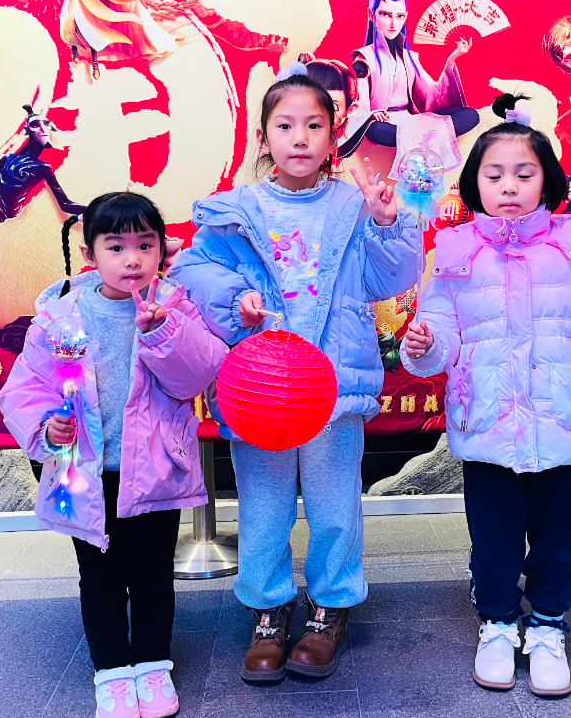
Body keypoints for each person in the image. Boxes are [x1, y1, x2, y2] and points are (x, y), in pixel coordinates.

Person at [169, 63, 420, 682]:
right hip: (261, 389)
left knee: (336, 507)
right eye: (285, 125)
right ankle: (268, 610)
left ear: (334, 136)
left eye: (314, 125)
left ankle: (330, 608)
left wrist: (387, 223)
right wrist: (236, 299)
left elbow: (392, 278)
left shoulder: (354, 205)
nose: (300, 137)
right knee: (264, 508)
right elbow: (192, 271)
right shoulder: (234, 210)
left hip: (333, 386)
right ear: (263, 137)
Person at [400, 93, 571, 697]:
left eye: (523, 173)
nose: (508, 185)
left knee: (561, 538)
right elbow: (440, 343)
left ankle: (548, 626)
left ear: (547, 180)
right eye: (494, 174)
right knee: (494, 539)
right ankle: (497, 623)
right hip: (487, 424)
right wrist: (424, 344)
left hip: (562, 420)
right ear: (474, 183)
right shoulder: (454, 253)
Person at [0, 192, 228, 718]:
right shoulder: (61, 315)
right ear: (90, 254)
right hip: (84, 472)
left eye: (145, 245)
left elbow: (198, 374)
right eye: (116, 246)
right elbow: (25, 388)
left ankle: (153, 665)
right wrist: (46, 425)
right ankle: (112, 672)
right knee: (99, 580)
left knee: (152, 577)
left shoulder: (175, 306)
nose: (132, 259)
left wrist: (162, 330)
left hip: (156, 470)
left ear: (162, 250)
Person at [343, 0, 479, 177]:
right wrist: (371, 115)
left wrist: (451, 60)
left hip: (411, 121)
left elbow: (431, 93)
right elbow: (358, 106)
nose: (393, 23)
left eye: (399, 16)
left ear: (405, 17)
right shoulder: (364, 60)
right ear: (371, 15)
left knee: (470, 115)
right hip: (385, 124)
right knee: (375, 130)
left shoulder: (409, 57)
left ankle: (421, 134)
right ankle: (422, 136)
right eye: (385, 14)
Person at [0, 105, 85, 224]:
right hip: (2, 227)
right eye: (35, 125)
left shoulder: (43, 168)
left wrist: (94, 209)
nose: (43, 130)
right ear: (28, 130)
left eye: (46, 124)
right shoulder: (8, 159)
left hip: (15, 226)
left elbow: (65, 204)